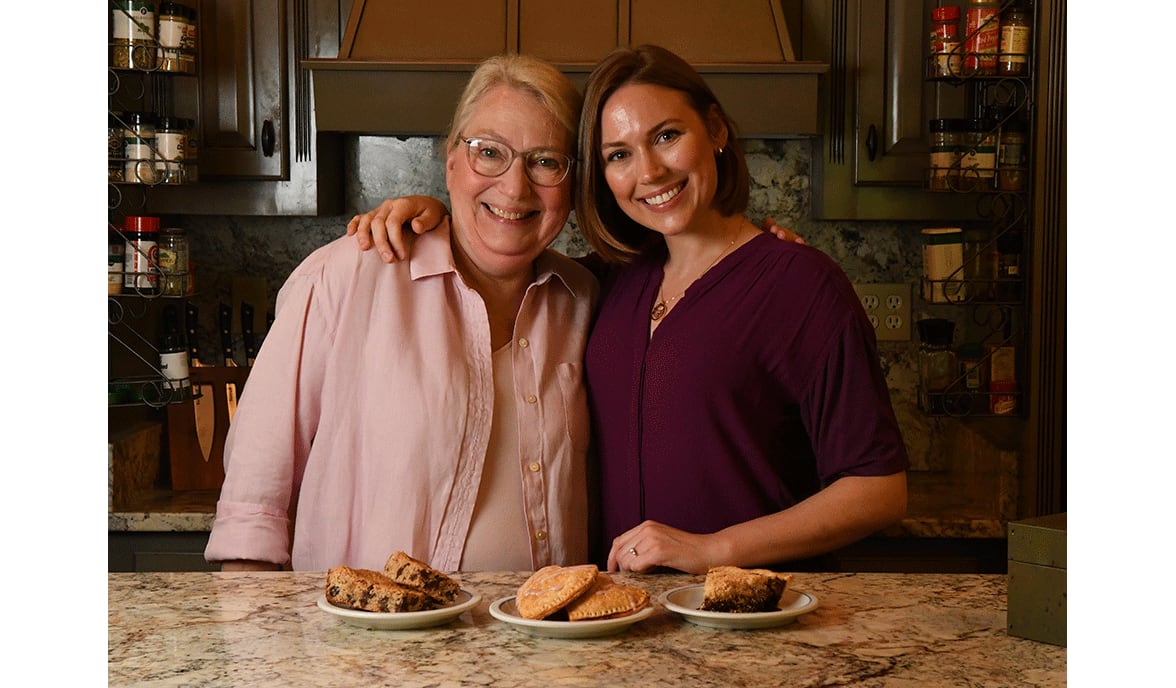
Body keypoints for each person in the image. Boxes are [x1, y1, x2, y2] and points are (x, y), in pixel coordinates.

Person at [348, 45, 909, 575]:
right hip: (624, 621)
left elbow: (879, 490)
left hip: (751, 624)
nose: (649, 172)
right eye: (619, 154)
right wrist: (434, 219)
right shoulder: (607, 281)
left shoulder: (803, 284)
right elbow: (502, 249)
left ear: (714, 129)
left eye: (666, 136)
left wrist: (715, 550)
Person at [204, 54, 598, 573]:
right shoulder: (346, 277)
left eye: (546, 161)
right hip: (366, 647)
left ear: (573, 184)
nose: (515, 187)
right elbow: (252, 509)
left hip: (544, 645)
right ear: (451, 160)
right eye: (489, 153)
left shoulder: (585, 301)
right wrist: (257, 646)